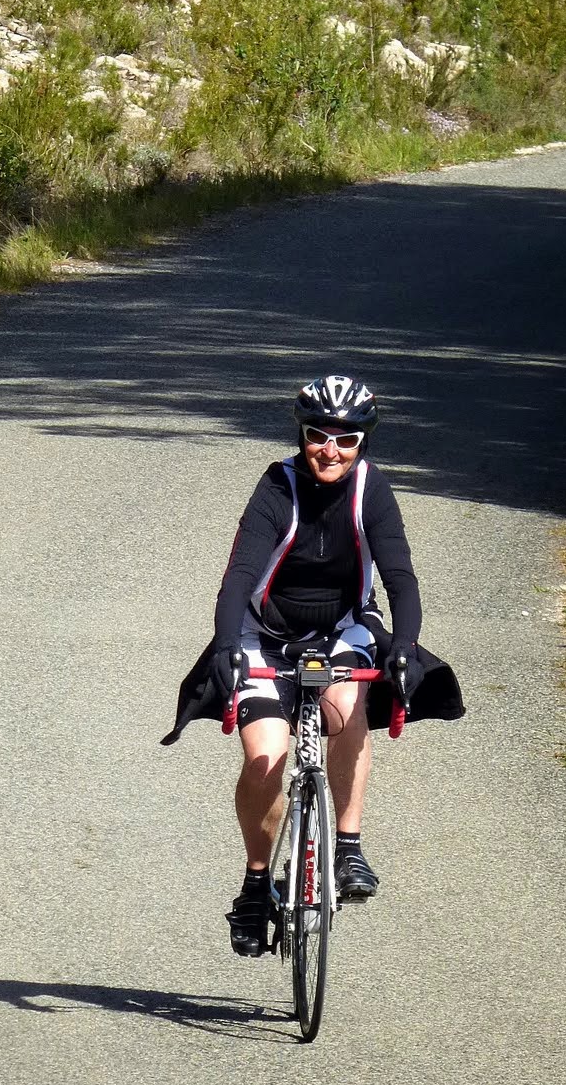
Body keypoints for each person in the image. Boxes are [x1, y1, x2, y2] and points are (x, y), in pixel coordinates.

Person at [168, 374, 440, 959]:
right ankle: (256, 885)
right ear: (302, 435)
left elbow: (400, 576)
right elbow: (239, 576)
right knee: (264, 756)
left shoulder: (371, 489)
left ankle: (348, 846)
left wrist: (405, 646)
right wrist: (224, 645)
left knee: (347, 708)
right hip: (263, 633)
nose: (330, 451)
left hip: (343, 628)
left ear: (363, 443)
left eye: (346, 440)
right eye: (319, 435)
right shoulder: (278, 485)